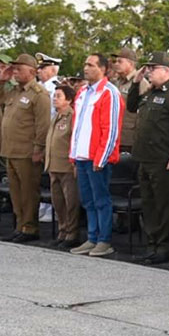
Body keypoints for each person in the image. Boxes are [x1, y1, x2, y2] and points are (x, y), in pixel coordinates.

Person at [128, 52, 169, 264]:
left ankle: (165, 246)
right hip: (146, 157)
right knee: (149, 203)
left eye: (152, 68)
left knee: (164, 204)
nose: (148, 72)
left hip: (163, 159)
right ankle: (153, 243)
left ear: (165, 71)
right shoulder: (150, 93)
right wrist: (136, 83)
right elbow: (131, 106)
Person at [68, 54, 124, 257]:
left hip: (98, 158)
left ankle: (104, 240)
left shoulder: (109, 93)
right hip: (82, 156)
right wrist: (74, 156)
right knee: (88, 200)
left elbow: (111, 128)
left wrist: (102, 157)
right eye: (85, 64)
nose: (85, 68)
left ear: (102, 69)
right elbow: (77, 126)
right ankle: (92, 237)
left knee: (101, 200)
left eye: (90, 65)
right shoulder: (82, 92)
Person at [0, 54, 52, 242]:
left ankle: (30, 227)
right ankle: (20, 224)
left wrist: (39, 149)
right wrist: (2, 81)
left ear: (31, 71)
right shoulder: (14, 91)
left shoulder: (39, 94)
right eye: (13, 69)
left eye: (18, 69)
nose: (15, 72)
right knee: (15, 191)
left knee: (28, 192)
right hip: (10, 150)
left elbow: (43, 124)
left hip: (27, 151)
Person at [44, 85, 81, 249]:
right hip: (54, 165)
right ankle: (62, 230)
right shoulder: (56, 116)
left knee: (70, 201)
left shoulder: (72, 116)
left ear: (69, 100)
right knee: (58, 201)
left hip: (66, 165)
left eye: (58, 96)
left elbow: (74, 140)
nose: (55, 99)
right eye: (54, 95)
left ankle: (72, 232)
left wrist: (74, 162)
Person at [110, 48, 143, 153]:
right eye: (116, 61)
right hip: (115, 136)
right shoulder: (116, 82)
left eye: (120, 61)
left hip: (129, 139)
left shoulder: (140, 83)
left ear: (130, 64)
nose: (116, 64)